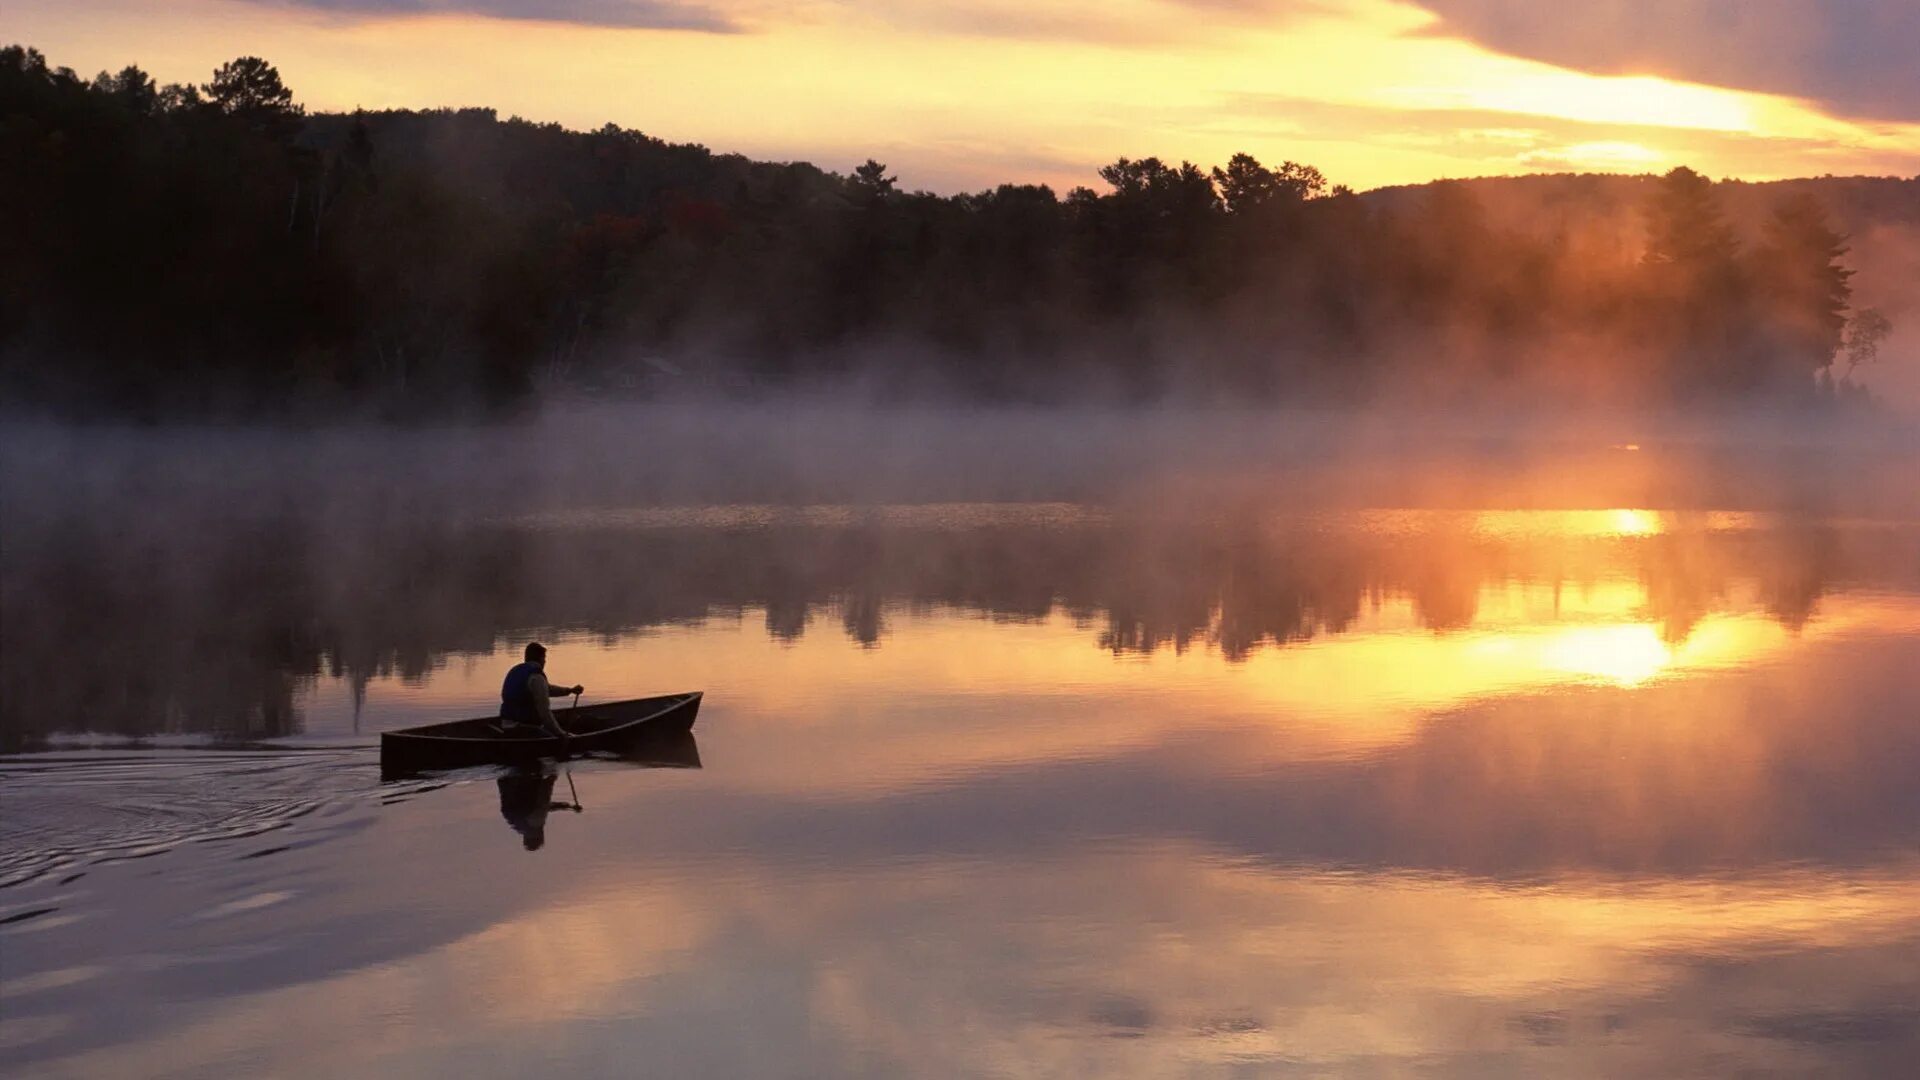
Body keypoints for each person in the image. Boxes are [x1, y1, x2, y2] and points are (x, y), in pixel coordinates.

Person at [499, 641, 584, 739]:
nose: (545, 661)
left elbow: (547, 689)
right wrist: (561, 734)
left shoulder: (516, 671)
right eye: (544, 658)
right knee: (554, 730)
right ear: (541, 659)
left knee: (560, 719)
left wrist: (569, 690)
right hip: (522, 728)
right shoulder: (536, 676)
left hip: (505, 725)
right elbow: (544, 713)